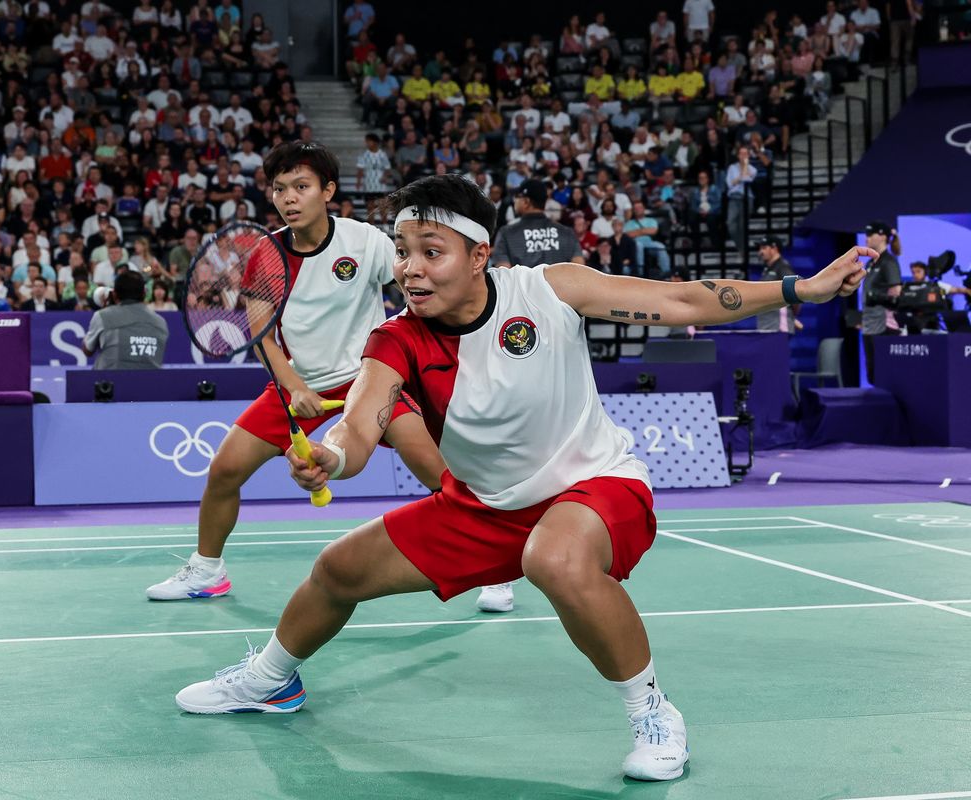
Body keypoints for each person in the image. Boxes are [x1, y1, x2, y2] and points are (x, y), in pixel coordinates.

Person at [174, 175, 873, 784]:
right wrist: (331, 457)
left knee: (553, 558)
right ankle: (270, 680)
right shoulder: (397, 339)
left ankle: (653, 712)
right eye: (404, 253)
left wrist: (799, 289)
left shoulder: (549, 289)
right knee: (337, 570)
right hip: (484, 507)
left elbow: (684, 301)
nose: (411, 271)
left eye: (431, 253)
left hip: (592, 485)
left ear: (480, 255)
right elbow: (361, 421)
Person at [144, 141, 446, 603]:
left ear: (326, 191)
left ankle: (492, 561)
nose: (289, 198)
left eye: (301, 187)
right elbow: (261, 334)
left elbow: (415, 282)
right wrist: (296, 387)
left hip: (369, 377)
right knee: (225, 469)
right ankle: (207, 570)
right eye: (280, 188)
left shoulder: (364, 240)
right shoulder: (266, 254)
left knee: (432, 468)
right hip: (296, 381)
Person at [82, 269, 169, 369]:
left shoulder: (102, 316)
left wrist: (105, 312)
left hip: (111, 382)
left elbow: (87, 351)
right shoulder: (161, 322)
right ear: (144, 293)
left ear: (114, 294)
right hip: (151, 383)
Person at [493, 180, 582, 269]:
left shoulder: (507, 233)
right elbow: (579, 268)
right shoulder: (567, 233)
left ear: (526, 202)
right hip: (559, 282)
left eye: (517, 197)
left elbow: (504, 273)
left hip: (523, 283)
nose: (514, 200)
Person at [861, 220, 902, 382]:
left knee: (885, 374)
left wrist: (877, 298)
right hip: (869, 324)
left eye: (870, 235)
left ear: (882, 236)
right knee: (872, 375)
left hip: (884, 325)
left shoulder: (889, 262)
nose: (866, 239)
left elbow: (896, 294)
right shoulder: (871, 262)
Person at [755, 237, 800, 333]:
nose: (760, 252)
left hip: (778, 327)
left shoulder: (782, 267)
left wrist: (792, 315)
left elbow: (795, 290)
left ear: (774, 249)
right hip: (766, 325)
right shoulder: (767, 270)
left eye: (764, 248)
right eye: (760, 249)